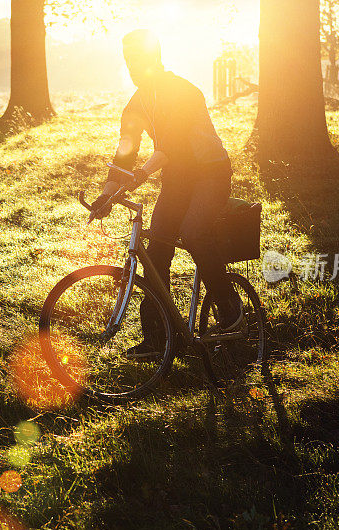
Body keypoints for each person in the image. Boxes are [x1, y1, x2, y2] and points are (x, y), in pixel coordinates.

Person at [91, 29, 242, 357]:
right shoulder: (136, 103)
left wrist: (141, 175)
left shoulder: (181, 91)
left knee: (192, 232)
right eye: (128, 61)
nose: (132, 67)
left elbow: (171, 146)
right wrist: (105, 194)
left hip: (210, 174)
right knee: (156, 248)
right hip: (178, 179)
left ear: (154, 59)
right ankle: (159, 338)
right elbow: (124, 155)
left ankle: (230, 310)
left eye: (138, 60)